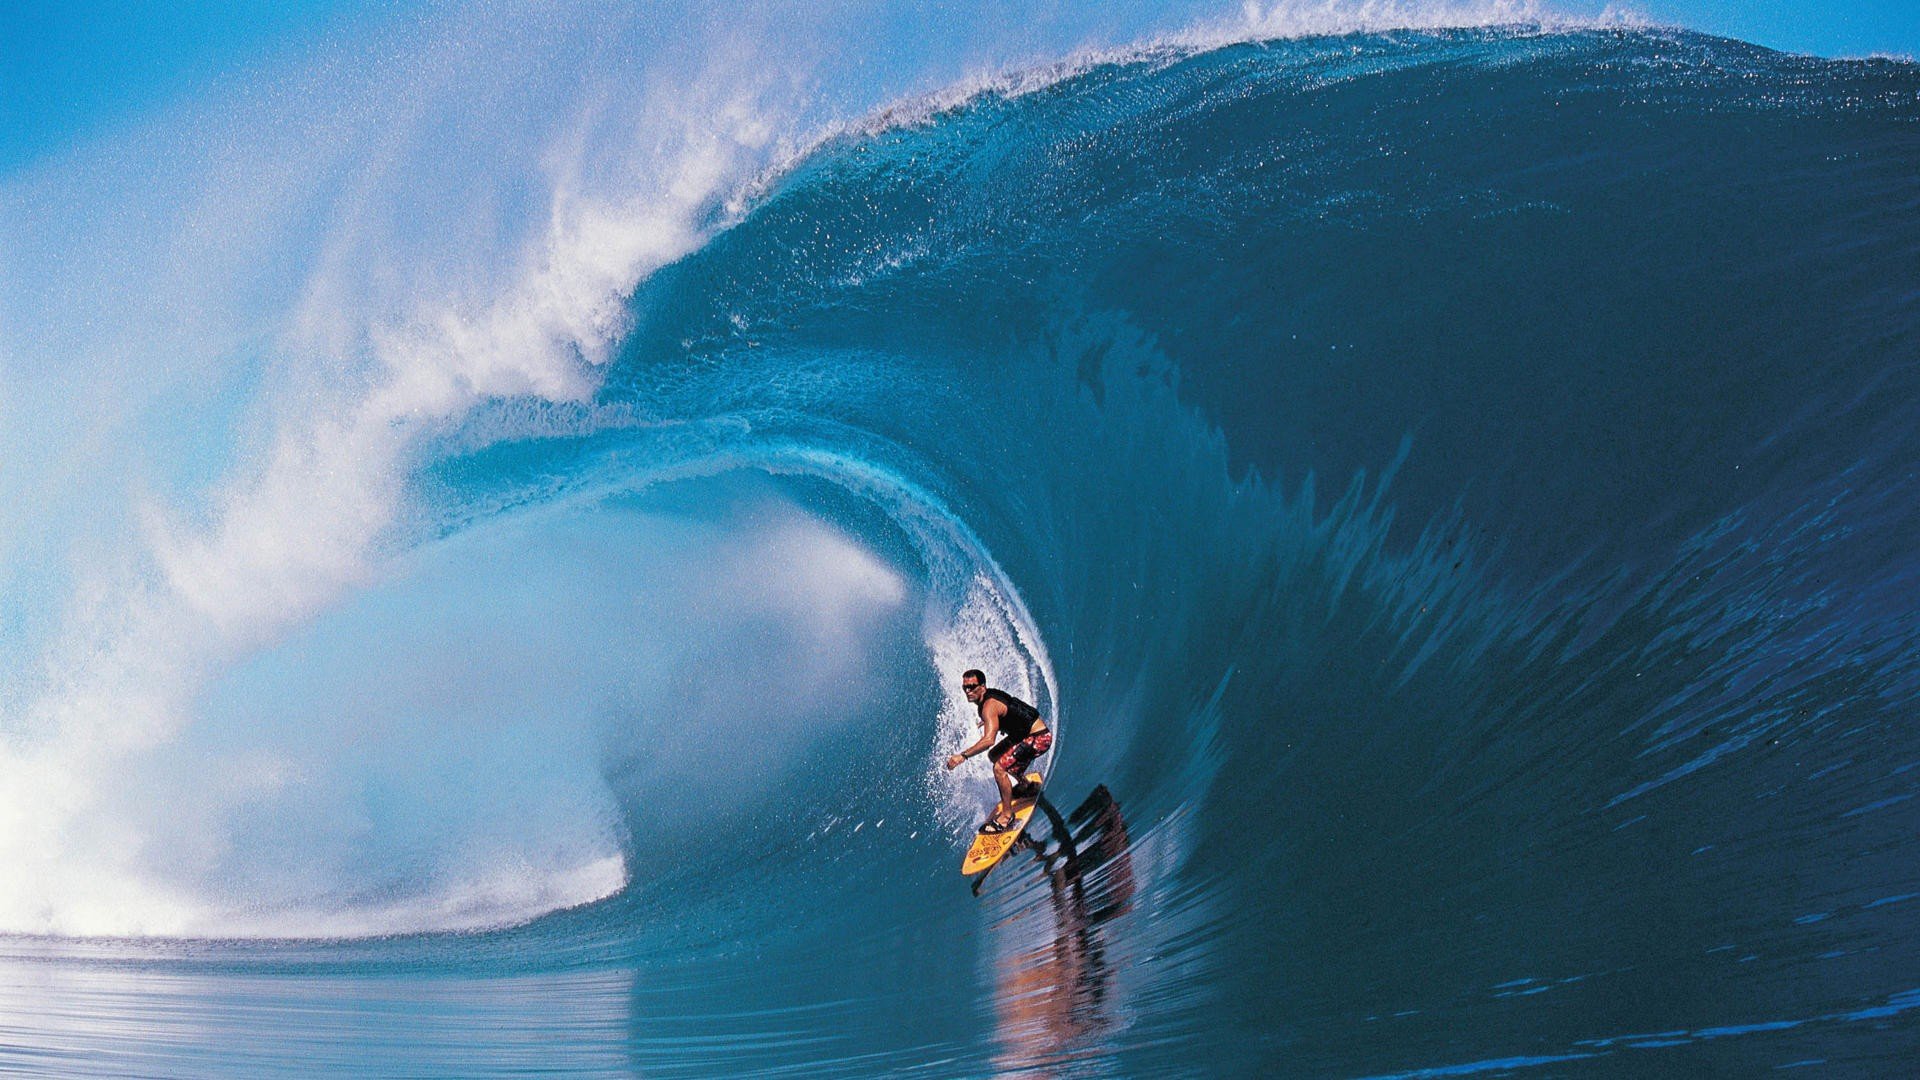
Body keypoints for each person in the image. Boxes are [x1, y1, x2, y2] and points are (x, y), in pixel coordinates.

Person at [944, 669, 1051, 832]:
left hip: (1038, 737)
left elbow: (988, 740)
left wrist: (963, 756)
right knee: (994, 755)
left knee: (999, 769)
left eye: (972, 687)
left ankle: (1006, 818)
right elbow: (1008, 709)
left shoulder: (988, 706)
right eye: (965, 687)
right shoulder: (988, 701)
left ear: (982, 686)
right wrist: (990, 721)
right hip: (1023, 734)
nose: (968, 691)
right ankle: (1026, 786)